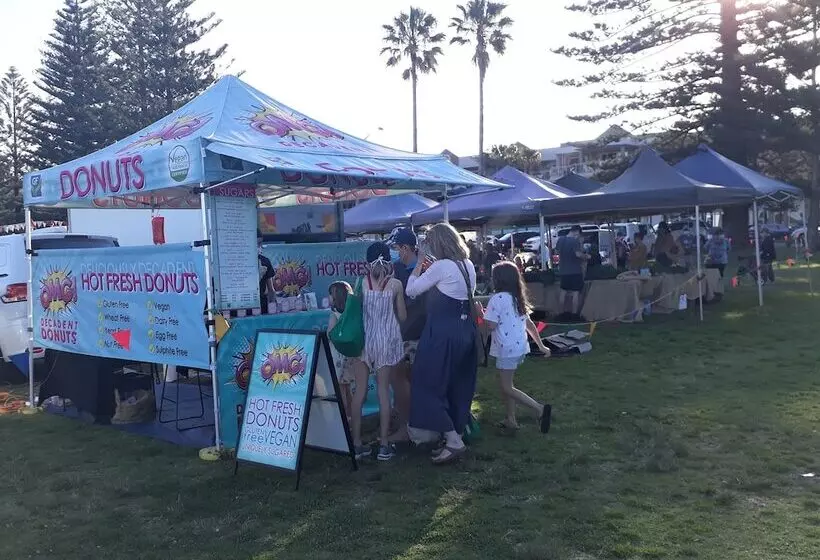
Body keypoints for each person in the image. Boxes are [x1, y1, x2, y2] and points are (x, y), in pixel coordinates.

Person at [406, 223, 478, 465]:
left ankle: (453, 441)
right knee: (457, 385)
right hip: (465, 331)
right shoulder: (467, 265)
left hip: (442, 334)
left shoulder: (441, 266)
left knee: (427, 383)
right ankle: (454, 436)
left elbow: (411, 290)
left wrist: (419, 264)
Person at [482, 262, 553, 432]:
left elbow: (490, 326)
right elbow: (529, 325)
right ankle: (511, 419)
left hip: (507, 350)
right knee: (506, 383)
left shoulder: (496, 299)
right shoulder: (517, 299)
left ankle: (540, 409)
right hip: (519, 347)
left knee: (507, 387)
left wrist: (481, 313)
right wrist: (541, 345)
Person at [360, 242, 406, 461]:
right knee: (383, 393)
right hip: (388, 342)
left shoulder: (362, 283)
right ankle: (385, 444)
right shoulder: (395, 284)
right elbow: (403, 316)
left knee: (360, 392)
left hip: (367, 342)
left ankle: (357, 442)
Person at [388, 228, 426, 442]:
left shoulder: (424, 270)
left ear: (404, 248)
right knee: (403, 381)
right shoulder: (397, 269)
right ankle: (407, 424)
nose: (395, 252)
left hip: (416, 335)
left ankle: (409, 427)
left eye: (396, 248)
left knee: (406, 381)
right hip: (403, 335)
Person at [327, 282, 368, 423]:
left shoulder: (334, 315)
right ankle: (352, 417)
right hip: (351, 356)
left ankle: (343, 419)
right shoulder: (353, 312)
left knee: (341, 391)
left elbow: (330, 333)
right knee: (349, 389)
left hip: (338, 358)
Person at [556, 225, 590, 315]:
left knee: (563, 292)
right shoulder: (574, 241)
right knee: (575, 293)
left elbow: (557, 252)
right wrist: (587, 256)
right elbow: (578, 254)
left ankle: (561, 314)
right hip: (575, 271)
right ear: (577, 232)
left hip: (563, 270)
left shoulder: (560, 240)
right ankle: (574, 314)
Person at [257, 230, 275, 313]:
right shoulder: (239, 263)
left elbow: (271, 290)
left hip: (262, 306)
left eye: (260, 243)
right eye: (256, 243)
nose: (259, 246)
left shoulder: (265, 262)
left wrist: (272, 307)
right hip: (243, 307)